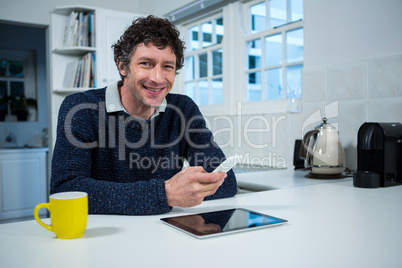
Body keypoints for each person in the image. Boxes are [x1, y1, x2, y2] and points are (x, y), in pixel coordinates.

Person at [50, 15, 237, 215]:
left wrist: (180, 189)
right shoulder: (80, 108)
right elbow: (66, 189)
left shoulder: (183, 109)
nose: (157, 78)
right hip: (102, 236)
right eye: (146, 63)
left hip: (162, 232)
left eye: (167, 66)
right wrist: (165, 193)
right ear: (122, 66)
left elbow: (226, 183)